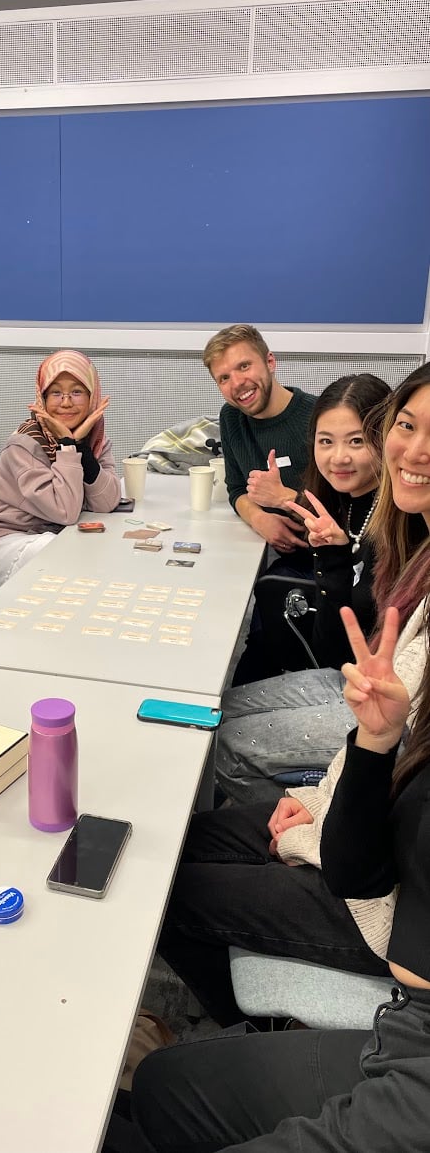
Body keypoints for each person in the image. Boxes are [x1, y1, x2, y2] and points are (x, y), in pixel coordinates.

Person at [150, 362, 430, 1029]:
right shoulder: (408, 535)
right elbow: (378, 725)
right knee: (178, 822)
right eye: (408, 428)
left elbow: (381, 828)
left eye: (355, 440)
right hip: (359, 766)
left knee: (162, 885)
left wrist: (304, 835)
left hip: (378, 892)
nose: (412, 453)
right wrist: (314, 799)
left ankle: (232, 1030)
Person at [132, 604, 430, 1153]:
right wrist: (366, 757)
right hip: (371, 870)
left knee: (170, 893)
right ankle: (241, 1027)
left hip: (392, 945)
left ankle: (241, 1021)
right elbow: (361, 858)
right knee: (174, 849)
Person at [216, 373, 390, 804]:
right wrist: (331, 560)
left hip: (389, 706)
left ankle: (297, 825)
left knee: (222, 745)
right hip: (350, 675)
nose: (338, 458)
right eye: (326, 441)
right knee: (213, 715)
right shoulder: (340, 503)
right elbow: (333, 654)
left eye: (355, 441)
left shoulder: (397, 518)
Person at [203, 324, 317, 682]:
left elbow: (354, 509)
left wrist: (285, 499)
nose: (236, 383)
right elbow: (236, 487)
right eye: (223, 378)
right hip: (266, 550)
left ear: (270, 362)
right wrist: (260, 518)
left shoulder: (316, 419)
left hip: (320, 560)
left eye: (244, 366)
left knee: (263, 647)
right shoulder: (231, 418)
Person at [0, 349, 120, 593]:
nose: (66, 402)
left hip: (50, 538)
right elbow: (65, 512)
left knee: (96, 551)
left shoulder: (95, 440)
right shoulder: (25, 443)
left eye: (76, 392)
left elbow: (107, 502)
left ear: (92, 397)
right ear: (42, 399)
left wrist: (82, 452)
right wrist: (68, 446)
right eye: (55, 393)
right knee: (69, 555)